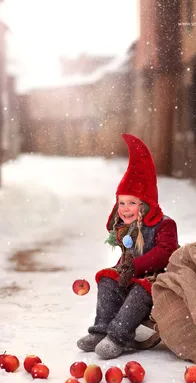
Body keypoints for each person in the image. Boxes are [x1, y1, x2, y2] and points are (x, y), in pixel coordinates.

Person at [77, 133, 179, 359]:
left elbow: (165, 253)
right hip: (132, 274)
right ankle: (101, 328)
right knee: (106, 280)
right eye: (121, 203)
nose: (125, 208)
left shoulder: (165, 225)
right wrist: (119, 270)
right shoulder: (128, 228)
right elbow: (127, 254)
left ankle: (118, 336)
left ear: (145, 205)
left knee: (141, 291)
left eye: (132, 203)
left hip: (159, 280)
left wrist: (135, 266)